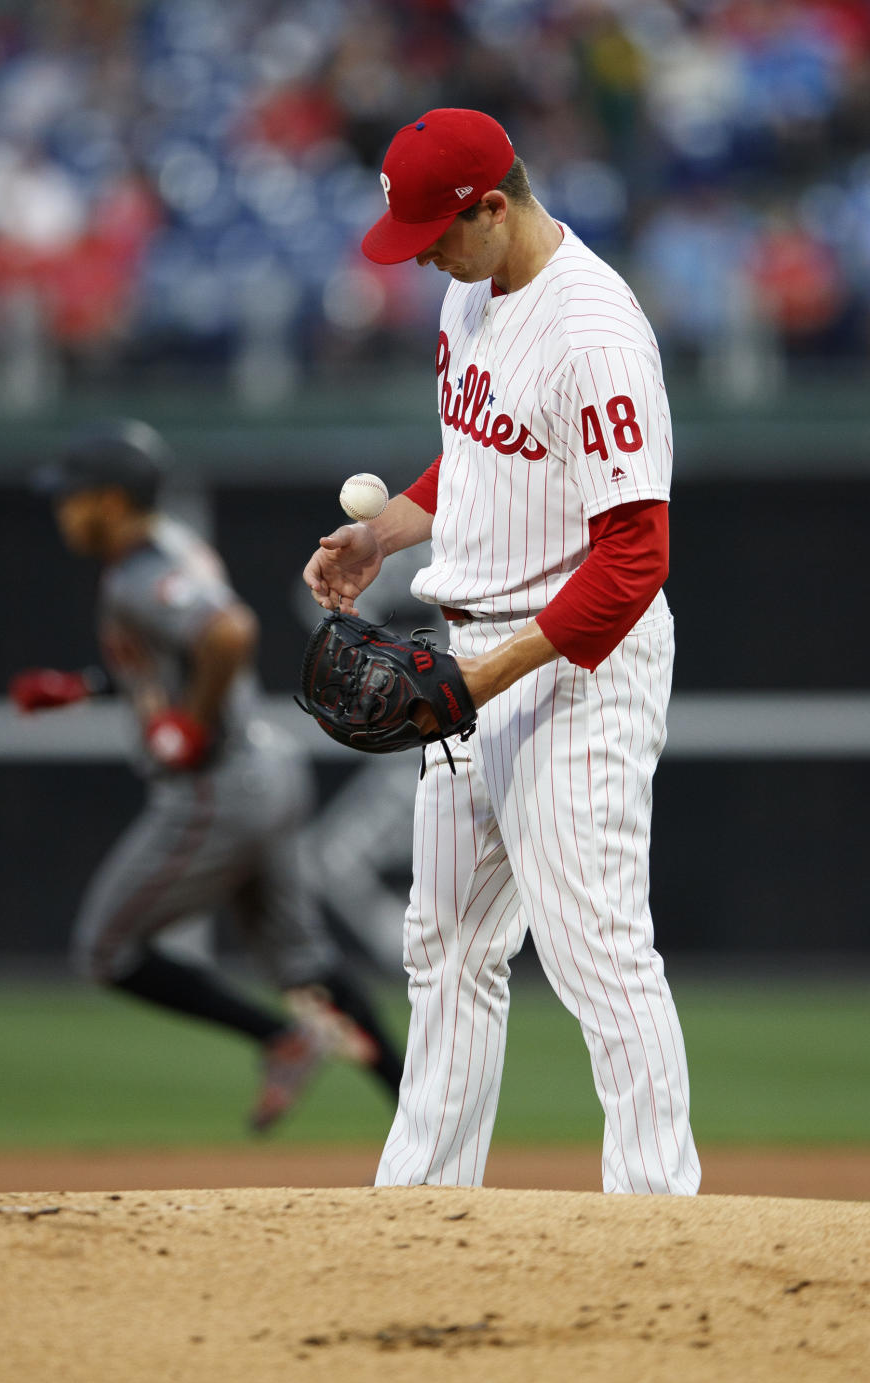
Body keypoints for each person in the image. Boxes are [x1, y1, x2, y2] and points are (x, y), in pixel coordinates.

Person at [303, 108, 700, 1194]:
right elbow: (477, 454)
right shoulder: (470, 287)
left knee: (596, 953)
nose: (421, 250)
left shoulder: (594, 333)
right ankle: (422, 1211)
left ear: (494, 204)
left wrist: (476, 680)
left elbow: (633, 562)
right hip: (470, 657)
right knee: (445, 948)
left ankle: (665, 1227)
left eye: (438, 228)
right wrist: (384, 533)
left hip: (573, 669)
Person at [12, 418, 403, 1132]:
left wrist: (189, 722)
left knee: (104, 949)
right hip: (265, 770)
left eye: (73, 495)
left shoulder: (141, 571)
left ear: (109, 501)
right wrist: (91, 685)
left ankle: (279, 1038)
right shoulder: (167, 550)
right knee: (304, 960)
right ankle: (417, 1106)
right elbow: (181, 647)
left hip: (218, 788)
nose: (62, 509)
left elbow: (228, 632)